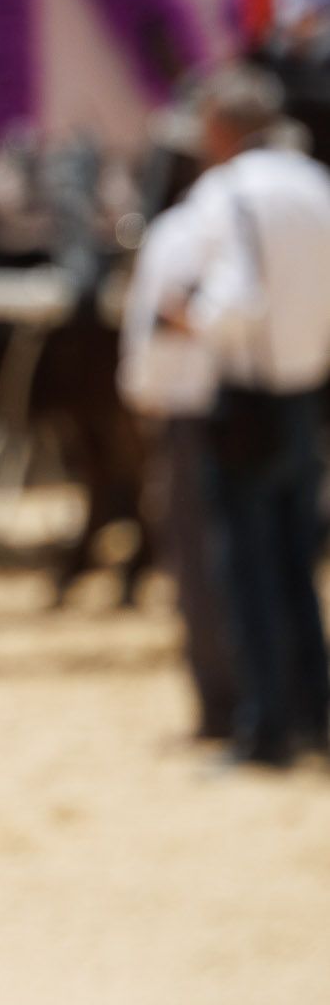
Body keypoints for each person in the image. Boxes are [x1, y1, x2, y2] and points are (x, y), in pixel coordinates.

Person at [157, 66, 330, 768]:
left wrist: (184, 318)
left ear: (224, 128)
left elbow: (237, 304)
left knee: (247, 569)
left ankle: (266, 731)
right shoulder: (316, 183)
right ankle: (316, 712)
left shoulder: (230, 193)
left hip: (245, 403)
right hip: (303, 397)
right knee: (296, 564)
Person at [116, 125, 235, 745]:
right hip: (264, 404)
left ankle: (222, 707)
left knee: (198, 565)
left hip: (190, 413)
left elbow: (150, 337)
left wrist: (143, 403)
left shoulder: (179, 233)